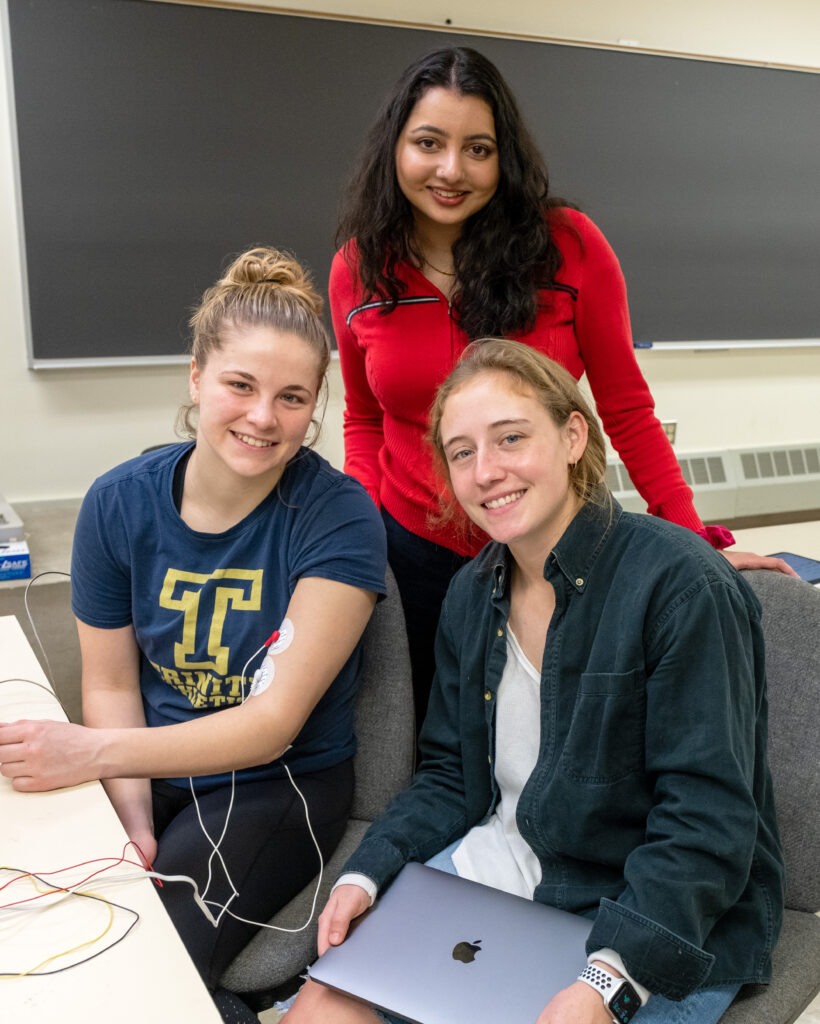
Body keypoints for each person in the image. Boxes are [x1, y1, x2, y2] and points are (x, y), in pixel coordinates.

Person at [285, 338, 784, 1024]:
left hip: (652, 908)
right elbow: (448, 777)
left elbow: (707, 823)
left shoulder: (682, 585)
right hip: (506, 874)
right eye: (462, 453)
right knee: (319, 1010)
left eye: (510, 438)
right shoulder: (471, 591)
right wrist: (370, 871)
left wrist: (607, 981)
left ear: (573, 434)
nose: (486, 471)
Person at [330, 44, 795, 725]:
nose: (450, 170)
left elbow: (628, 407)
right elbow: (366, 421)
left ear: (505, 156)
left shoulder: (569, 246)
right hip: (415, 557)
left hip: (558, 547)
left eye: (478, 148)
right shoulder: (359, 270)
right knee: (442, 751)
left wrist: (695, 543)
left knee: (575, 740)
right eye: (428, 142)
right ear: (395, 147)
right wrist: (360, 538)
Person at [0, 247, 387, 1021]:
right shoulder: (118, 504)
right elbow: (110, 683)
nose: (263, 418)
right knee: (51, 930)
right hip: (153, 770)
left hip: (279, 786)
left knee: (142, 957)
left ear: (314, 407)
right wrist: (132, 821)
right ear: (195, 378)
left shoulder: (338, 517)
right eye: (240, 385)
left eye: (291, 398)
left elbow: (271, 727)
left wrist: (91, 754)